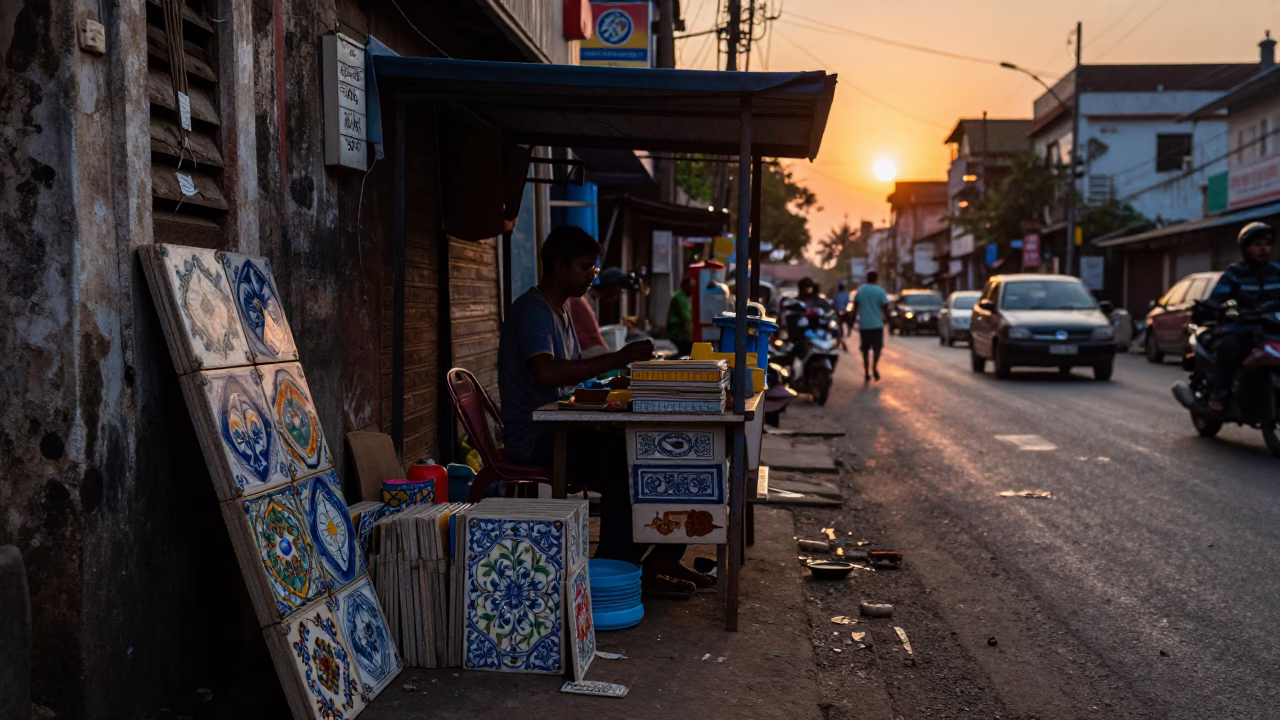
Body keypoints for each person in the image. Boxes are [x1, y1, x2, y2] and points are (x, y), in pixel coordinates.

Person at [497, 225, 712, 596]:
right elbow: (546, 372)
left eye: (593, 269)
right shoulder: (533, 311)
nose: (591, 276)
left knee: (661, 452)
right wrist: (617, 358)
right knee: (624, 465)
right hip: (536, 437)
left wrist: (618, 382)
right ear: (559, 265)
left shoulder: (562, 309)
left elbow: (571, 382)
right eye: (585, 268)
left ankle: (661, 559)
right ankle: (619, 569)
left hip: (562, 426)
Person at [1203, 222, 1280, 412]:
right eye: (1257, 245)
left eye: (1267, 244)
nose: (1263, 249)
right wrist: (1209, 308)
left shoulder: (1277, 272)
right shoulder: (1235, 273)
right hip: (1244, 326)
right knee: (1229, 346)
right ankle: (1219, 394)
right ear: (1246, 248)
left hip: (1273, 327)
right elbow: (1217, 297)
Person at [566, 266, 629, 358]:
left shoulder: (595, 299)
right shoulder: (583, 298)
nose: (617, 295)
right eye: (617, 290)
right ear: (608, 286)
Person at [852, 270, 890, 382]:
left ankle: (866, 372)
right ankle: (874, 367)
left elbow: (855, 307)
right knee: (877, 348)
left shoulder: (861, 291)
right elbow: (885, 306)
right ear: (876, 279)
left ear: (867, 278)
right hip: (877, 324)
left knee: (865, 350)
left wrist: (852, 320)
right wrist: (888, 319)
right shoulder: (880, 292)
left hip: (865, 325)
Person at [667, 275, 696, 356]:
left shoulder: (683, 297)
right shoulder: (680, 298)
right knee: (686, 351)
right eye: (691, 287)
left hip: (679, 332)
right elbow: (686, 317)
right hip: (678, 332)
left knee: (684, 351)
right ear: (685, 286)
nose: (692, 290)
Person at [832, 280, 853, 350]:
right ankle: (842, 342)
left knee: (841, 328)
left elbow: (835, 304)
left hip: (841, 313)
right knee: (840, 329)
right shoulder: (841, 295)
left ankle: (841, 340)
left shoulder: (838, 295)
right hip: (841, 313)